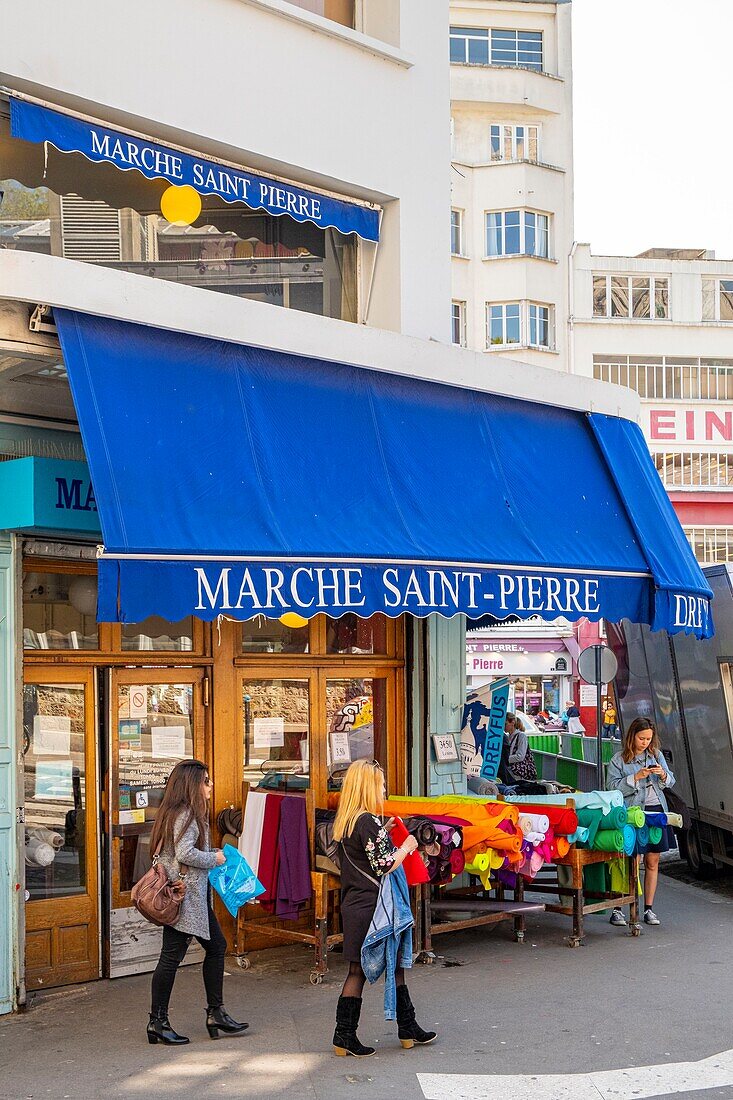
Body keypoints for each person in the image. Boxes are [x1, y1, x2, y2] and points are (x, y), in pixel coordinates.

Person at [331, 759, 437, 1057]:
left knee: (368, 968)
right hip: (374, 907)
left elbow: (366, 855)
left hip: (355, 904)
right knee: (375, 969)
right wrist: (407, 846)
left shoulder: (349, 821)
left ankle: (404, 1027)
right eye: (380, 785)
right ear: (368, 787)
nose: (384, 790)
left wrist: (384, 831)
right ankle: (347, 1036)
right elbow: (383, 864)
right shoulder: (367, 822)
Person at [147, 759, 248, 1045]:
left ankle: (216, 1013)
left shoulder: (177, 811)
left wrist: (212, 852)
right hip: (183, 897)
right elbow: (185, 854)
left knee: (216, 947)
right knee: (171, 958)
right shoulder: (187, 813)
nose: (210, 785)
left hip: (191, 897)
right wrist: (214, 859)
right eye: (206, 781)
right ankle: (157, 1021)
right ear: (193, 785)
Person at [606, 718, 676, 928]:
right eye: (642, 738)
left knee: (653, 862)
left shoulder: (655, 755)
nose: (646, 742)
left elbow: (670, 781)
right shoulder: (619, 760)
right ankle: (619, 908)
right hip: (633, 813)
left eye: (649, 739)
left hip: (656, 811)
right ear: (632, 736)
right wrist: (635, 777)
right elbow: (610, 788)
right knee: (631, 861)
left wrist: (662, 774)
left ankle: (648, 909)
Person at [506, 713, 538, 782]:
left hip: (520, 773)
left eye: (505, 724)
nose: (503, 726)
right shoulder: (508, 737)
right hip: (513, 771)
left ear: (512, 722)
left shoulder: (521, 736)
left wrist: (505, 759)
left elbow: (520, 756)